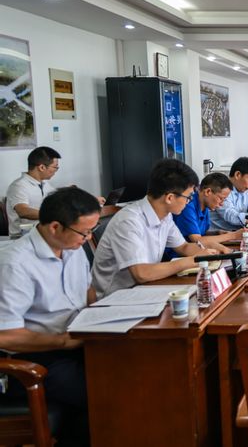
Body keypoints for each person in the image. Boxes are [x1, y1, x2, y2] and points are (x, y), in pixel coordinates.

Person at [0, 188, 100, 447]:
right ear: (55, 227)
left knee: (134, 369)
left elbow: (88, 290)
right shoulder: (15, 263)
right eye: (84, 232)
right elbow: (6, 336)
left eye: (92, 231)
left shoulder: (72, 247)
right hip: (37, 357)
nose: (88, 238)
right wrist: (63, 342)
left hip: (77, 341)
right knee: (107, 392)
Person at [92, 159, 215, 298]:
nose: (188, 202)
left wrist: (207, 253)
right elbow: (141, 273)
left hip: (144, 289)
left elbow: (183, 247)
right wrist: (190, 261)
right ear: (169, 198)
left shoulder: (165, 216)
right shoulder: (129, 221)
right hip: (114, 298)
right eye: (188, 197)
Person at [172, 172, 243, 255]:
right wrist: (233, 235)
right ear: (208, 192)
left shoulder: (205, 206)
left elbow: (200, 232)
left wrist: (217, 233)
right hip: (179, 256)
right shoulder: (188, 206)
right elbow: (198, 240)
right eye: (221, 198)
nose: (222, 204)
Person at [210, 157, 248, 231]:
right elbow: (231, 216)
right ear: (237, 175)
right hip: (220, 235)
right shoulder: (223, 190)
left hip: (238, 233)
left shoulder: (246, 191)